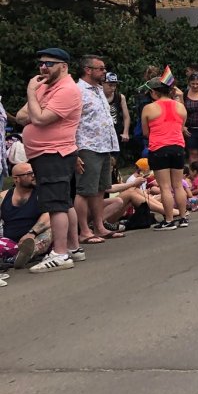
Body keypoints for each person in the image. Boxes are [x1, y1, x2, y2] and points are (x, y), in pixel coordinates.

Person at [15, 47, 82, 273]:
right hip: (44, 153)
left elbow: (40, 118)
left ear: (63, 66)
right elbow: (22, 115)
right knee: (63, 201)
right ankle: (73, 247)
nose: (43, 67)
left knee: (55, 205)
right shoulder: (44, 87)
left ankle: (60, 253)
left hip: (54, 153)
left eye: (49, 63)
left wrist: (31, 94)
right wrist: (36, 104)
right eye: (41, 63)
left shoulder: (67, 89)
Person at [74, 54, 122, 244]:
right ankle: (84, 231)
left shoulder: (98, 89)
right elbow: (72, 121)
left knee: (101, 189)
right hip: (88, 145)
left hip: (104, 145)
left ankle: (99, 226)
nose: (104, 71)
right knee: (85, 189)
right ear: (88, 70)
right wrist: (74, 150)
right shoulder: (78, 90)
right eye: (100, 68)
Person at [141, 79, 189, 230]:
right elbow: (181, 127)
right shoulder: (180, 107)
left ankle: (169, 220)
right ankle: (183, 217)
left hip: (159, 148)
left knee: (165, 187)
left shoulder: (149, 108)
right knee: (178, 185)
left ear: (154, 92)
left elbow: (145, 132)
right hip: (177, 147)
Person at [0, 162, 52, 269]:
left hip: (36, 238)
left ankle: (27, 254)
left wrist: (32, 233)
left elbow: (49, 215)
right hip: (11, 242)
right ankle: (19, 255)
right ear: (16, 179)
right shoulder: (3, 196)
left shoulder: (42, 193)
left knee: (53, 228)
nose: (33, 175)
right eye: (28, 173)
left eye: (33, 172)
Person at [103, 72, 131, 151]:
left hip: (116, 132)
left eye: (115, 85)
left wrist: (125, 132)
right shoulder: (97, 97)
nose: (113, 88)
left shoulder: (120, 97)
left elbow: (126, 117)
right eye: (110, 85)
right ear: (102, 83)